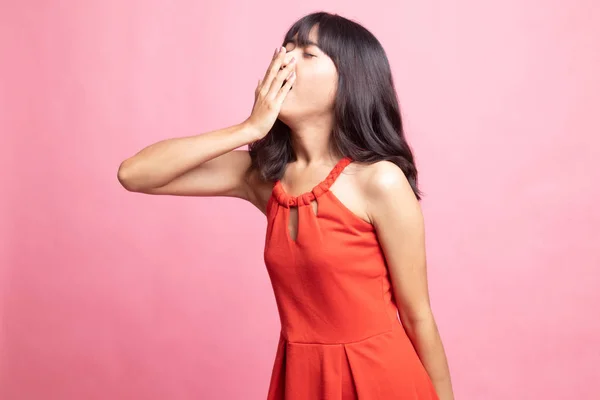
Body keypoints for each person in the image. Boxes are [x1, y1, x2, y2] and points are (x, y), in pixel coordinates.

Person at [118, 11, 454, 400]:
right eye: (287, 47)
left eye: (308, 54)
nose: (286, 60)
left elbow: (418, 316)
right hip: (301, 381)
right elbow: (134, 174)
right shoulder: (262, 178)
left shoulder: (378, 180)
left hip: (380, 381)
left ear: (350, 80)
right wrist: (248, 129)